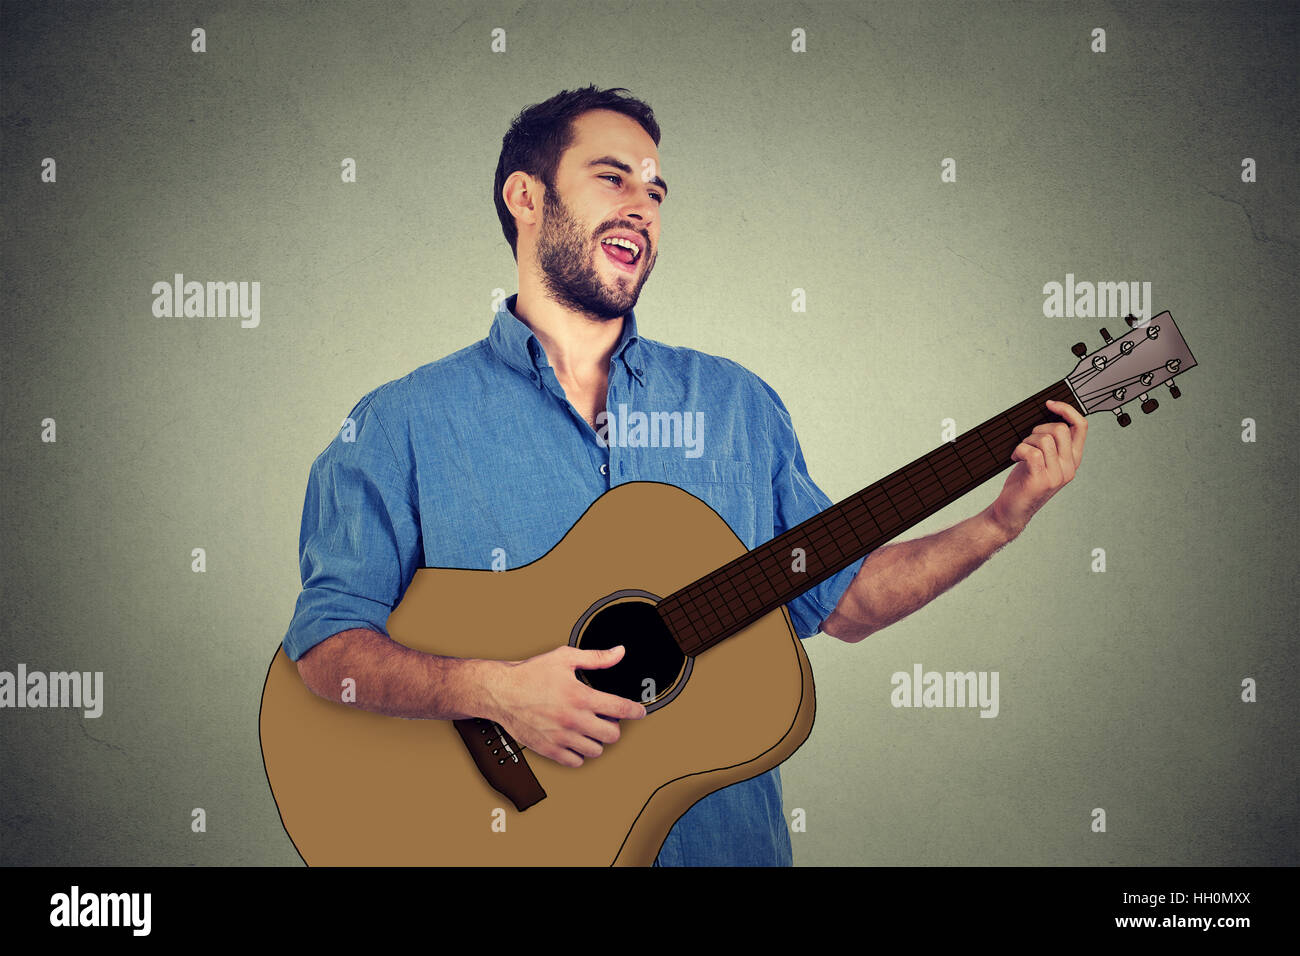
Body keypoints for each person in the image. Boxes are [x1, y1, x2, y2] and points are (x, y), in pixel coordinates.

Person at [281, 85, 1087, 866]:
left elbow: (840, 601)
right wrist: (491, 692)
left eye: (656, 190)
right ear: (525, 197)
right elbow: (325, 646)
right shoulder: (401, 423)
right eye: (612, 178)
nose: (642, 204)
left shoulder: (737, 406)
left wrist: (998, 522)